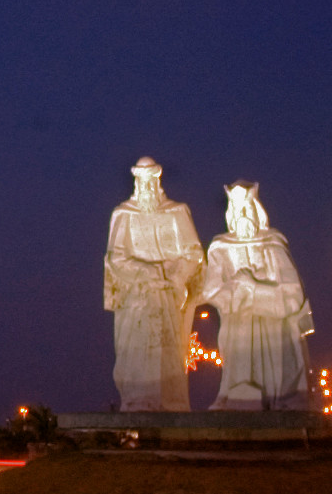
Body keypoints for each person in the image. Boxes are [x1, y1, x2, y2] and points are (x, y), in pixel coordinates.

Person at [199, 182, 313, 410]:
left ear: (256, 210)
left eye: (246, 208)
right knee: (240, 368)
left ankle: (282, 399)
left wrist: (254, 288)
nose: (242, 215)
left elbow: (293, 295)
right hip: (238, 325)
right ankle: (238, 395)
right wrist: (236, 289)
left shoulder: (273, 243)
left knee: (279, 366)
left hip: (274, 326)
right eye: (237, 209)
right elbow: (211, 292)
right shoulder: (221, 247)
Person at [104, 157, 205, 411]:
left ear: (158, 182)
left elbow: (193, 253)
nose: (147, 187)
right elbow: (116, 257)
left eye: (151, 181)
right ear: (136, 183)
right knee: (135, 352)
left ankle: (172, 402)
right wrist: (145, 271)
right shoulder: (124, 214)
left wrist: (172, 276)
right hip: (136, 295)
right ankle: (136, 400)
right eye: (142, 181)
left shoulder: (176, 212)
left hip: (168, 295)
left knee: (167, 351)